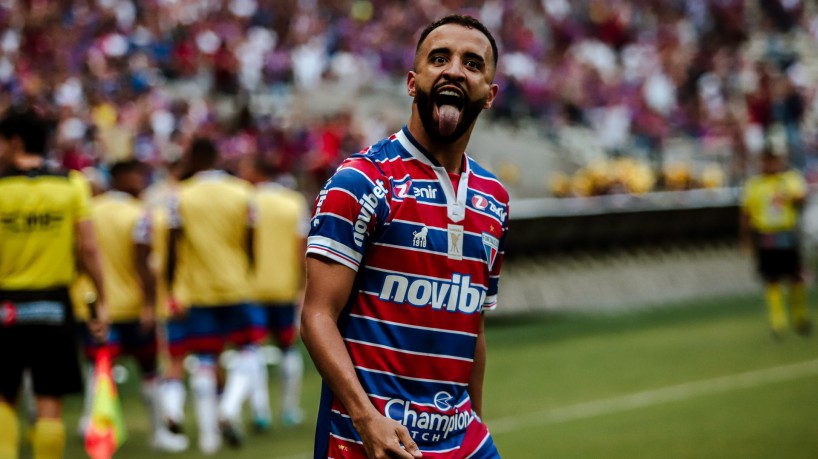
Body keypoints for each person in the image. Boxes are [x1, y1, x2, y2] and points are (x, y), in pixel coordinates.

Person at [302, 15, 508, 458]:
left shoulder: (495, 199)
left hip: (463, 442)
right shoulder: (361, 181)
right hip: (371, 440)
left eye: (472, 63)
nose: (454, 69)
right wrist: (365, 417)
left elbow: (475, 324)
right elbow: (317, 315)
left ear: (490, 95)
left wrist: (475, 419)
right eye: (440, 58)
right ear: (413, 82)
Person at [0, 108, 108, 459]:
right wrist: (102, 298)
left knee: (3, 397)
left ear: (15, 142)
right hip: (54, 304)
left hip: (6, 305)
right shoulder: (70, 184)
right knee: (50, 402)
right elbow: (88, 248)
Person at [72, 159, 189, 452]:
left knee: (99, 368)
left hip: (98, 306)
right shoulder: (139, 214)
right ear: (121, 178)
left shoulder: (89, 211)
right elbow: (144, 263)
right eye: (137, 175)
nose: (141, 181)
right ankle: (160, 433)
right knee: (149, 370)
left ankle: (92, 427)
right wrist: (150, 305)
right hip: (133, 307)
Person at [162, 137, 262, 454]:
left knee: (204, 360)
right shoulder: (243, 192)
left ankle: (208, 440)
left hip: (197, 290)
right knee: (248, 351)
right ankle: (230, 408)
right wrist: (247, 272)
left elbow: (172, 249)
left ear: (192, 158)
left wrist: (170, 286)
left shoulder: (180, 196)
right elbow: (250, 244)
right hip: (236, 286)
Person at [238, 156, 309, 431]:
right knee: (287, 348)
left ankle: (260, 412)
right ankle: (290, 409)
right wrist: (303, 287)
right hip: (285, 287)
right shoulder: (293, 202)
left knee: (252, 349)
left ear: (256, 172)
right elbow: (302, 248)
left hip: (250, 288)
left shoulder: (245, 200)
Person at [740, 147, 812, 338]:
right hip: (766, 235)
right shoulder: (754, 184)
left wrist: (794, 196)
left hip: (787, 233)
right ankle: (778, 321)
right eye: (766, 161)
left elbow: (802, 199)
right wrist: (746, 240)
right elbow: (746, 214)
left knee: (795, 276)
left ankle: (800, 317)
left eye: (774, 161)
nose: (770, 165)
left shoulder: (789, 179)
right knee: (771, 278)